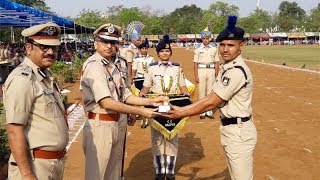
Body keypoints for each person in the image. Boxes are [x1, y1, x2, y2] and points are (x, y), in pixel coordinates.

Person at [163, 16, 257, 180]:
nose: (225, 49)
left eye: (231, 45)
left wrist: (182, 112)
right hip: (231, 129)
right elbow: (212, 101)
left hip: (239, 132)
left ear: (241, 46)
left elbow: (212, 101)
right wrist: (184, 108)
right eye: (222, 45)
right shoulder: (227, 67)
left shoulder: (236, 71)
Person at [80, 23, 165, 180]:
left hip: (116, 122)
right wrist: (141, 111)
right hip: (101, 126)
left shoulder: (114, 65)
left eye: (113, 42)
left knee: (114, 172)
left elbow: (124, 95)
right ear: (95, 43)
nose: (109, 46)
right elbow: (107, 102)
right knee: (98, 174)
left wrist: (150, 102)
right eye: (104, 42)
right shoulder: (94, 66)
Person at [3, 22, 68, 180]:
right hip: (35, 166)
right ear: (28, 48)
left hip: (50, 164)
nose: (51, 52)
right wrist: (27, 174)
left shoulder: (43, 76)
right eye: (44, 47)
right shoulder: (23, 80)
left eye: (54, 48)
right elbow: (14, 130)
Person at [140, 35, 189, 180]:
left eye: (167, 51)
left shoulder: (177, 68)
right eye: (162, 51)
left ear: (170, 53)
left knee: (172, 137)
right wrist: (142, 96)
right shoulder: (152, 69)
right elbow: (145, 87)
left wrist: (186, 95)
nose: (165, 53)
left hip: (173, 106)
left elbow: (183, 86)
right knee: (157, 138)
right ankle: (160, 169)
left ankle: (171, 169)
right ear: (158, 53)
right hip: (157, 105)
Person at [194, 26, 220, 119]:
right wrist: (196, 75)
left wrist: (217, 74)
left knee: (210, 91)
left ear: (210, 38)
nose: (205, 40)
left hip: (211, 70)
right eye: (204, 38)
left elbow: (217, 62)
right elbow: (195, 63)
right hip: (201, 70)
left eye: (207, 38)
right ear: (201, 39)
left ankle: (209, 111)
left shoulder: (214, 49)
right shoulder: (197, 49)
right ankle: (202, 111)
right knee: (201, 91)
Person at [132, 38, 155, 128]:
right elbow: (134, 70)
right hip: (139, 79)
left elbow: (153, 69)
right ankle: (143, 119)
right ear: (140, 50)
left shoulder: (151, 58)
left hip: (148, 79)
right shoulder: (137, 59)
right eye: (142, 49)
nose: (144, 50)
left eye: (146, 48)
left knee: (148, 98)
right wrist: (133, 78)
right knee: (141, 98)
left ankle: (149, 117)